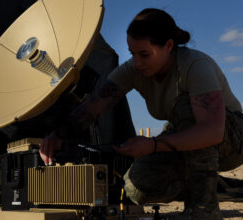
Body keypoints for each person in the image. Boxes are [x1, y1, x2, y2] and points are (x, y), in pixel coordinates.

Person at [39, 8, 243, 220]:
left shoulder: (195, 66)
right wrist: (59, 135)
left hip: (233, 139)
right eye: (132, 53)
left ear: (169, 46)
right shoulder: (134, 70)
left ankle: (204, 208)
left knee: (187, 107)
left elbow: (212, 132)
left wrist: (153, 144)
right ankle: (214, 187)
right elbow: (94, 106)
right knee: (137, 187)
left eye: (144, 54)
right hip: (188, 142)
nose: (137, 62)